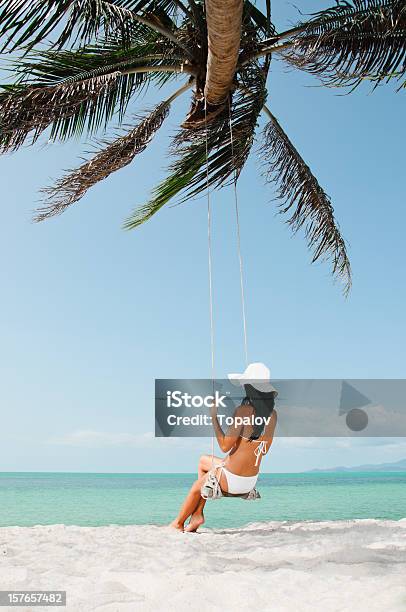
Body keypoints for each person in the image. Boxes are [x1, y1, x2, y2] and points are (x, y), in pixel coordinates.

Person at [170, 363, 278, 532]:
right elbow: (264, 449)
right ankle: (198, 514)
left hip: (231, 479)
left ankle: (177, 524)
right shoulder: (272, 415)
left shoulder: (244, 411)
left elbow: (223, 445)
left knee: (195, 489)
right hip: (249, 482)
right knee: (203, 461)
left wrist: (214, 417)